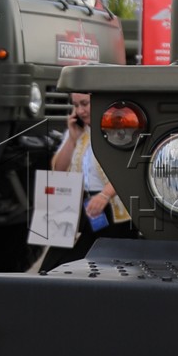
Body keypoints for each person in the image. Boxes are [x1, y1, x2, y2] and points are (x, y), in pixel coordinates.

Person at [38, 92, 131, 272]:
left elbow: (126, 169)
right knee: (54, 264)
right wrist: (72, 139)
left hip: (112, 206)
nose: (80, 111)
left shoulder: (118, 130)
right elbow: (58, 168)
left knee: (102, 262)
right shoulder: (78, 132)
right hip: (84, 204)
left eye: (84, 103)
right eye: (75, 105)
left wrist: (104, 195)